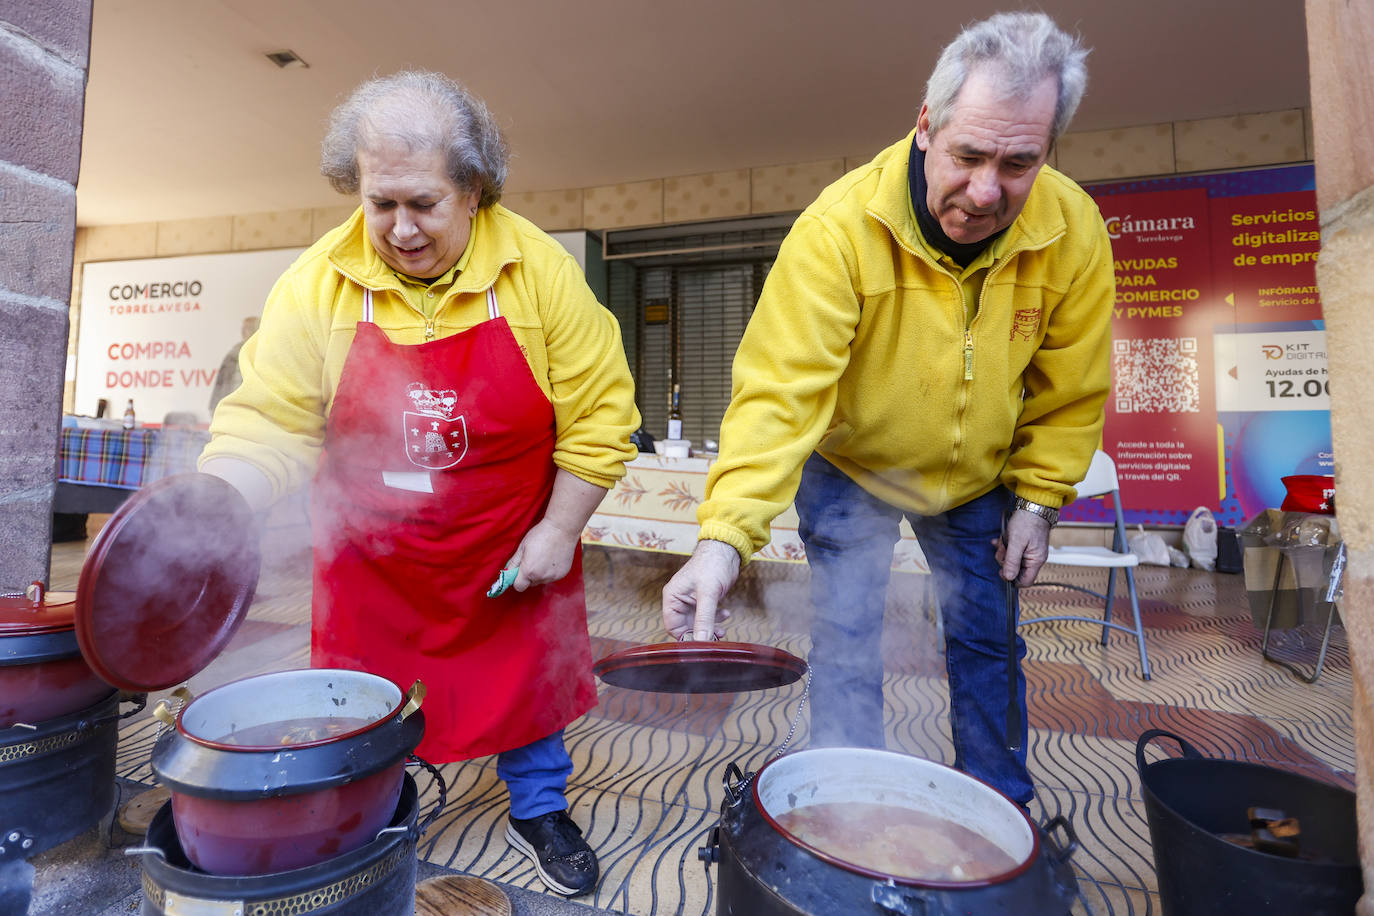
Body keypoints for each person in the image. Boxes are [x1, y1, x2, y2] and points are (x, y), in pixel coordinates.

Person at [199, 71, 640, 897]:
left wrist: (556, 531)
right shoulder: (318, 283)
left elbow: (602, 419)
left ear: (473, 192)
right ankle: (378, 801)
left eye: (424, 204)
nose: (399, 230)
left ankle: (540, 809)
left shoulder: (539, 272)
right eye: (380, 203)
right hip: (374, 558)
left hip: (511, 542)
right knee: (362, 703)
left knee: (528, 686)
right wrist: (220, 499)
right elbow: (268, 421)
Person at [661, 12, 1112, 809]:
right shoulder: (840, 229)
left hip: (978, 481)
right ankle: (849, 802)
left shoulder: (1070, 229)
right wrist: (723, 540)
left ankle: (1001, 813)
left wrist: (1041, 498)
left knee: (985, 642)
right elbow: (779, 394)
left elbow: (1070, 384)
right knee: (845, 640)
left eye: (1018, 163)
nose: (985, 191)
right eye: (968, 154)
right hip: (850, 468)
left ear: (1049, 153)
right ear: (926, 125)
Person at [207, 316, 260, 416]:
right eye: (243, 328)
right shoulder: (233, 353)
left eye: (248, 328)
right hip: (231, 406)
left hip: (253, 409)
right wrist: (213, 406)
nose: (243, 331)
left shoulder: (263, 353)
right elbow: (220, 381)